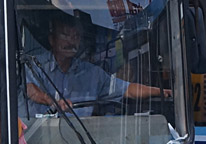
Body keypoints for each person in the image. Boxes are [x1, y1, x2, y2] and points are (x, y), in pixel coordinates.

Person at [21, 14, 170, 118]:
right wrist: (53, 102)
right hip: (38, 143)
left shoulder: (92, 74)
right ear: (52, 40)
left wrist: (160, 92)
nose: (71, 42)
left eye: (76, 36)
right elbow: (30, 89)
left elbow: (128, 90)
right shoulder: (34, 64)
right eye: (65, 35)